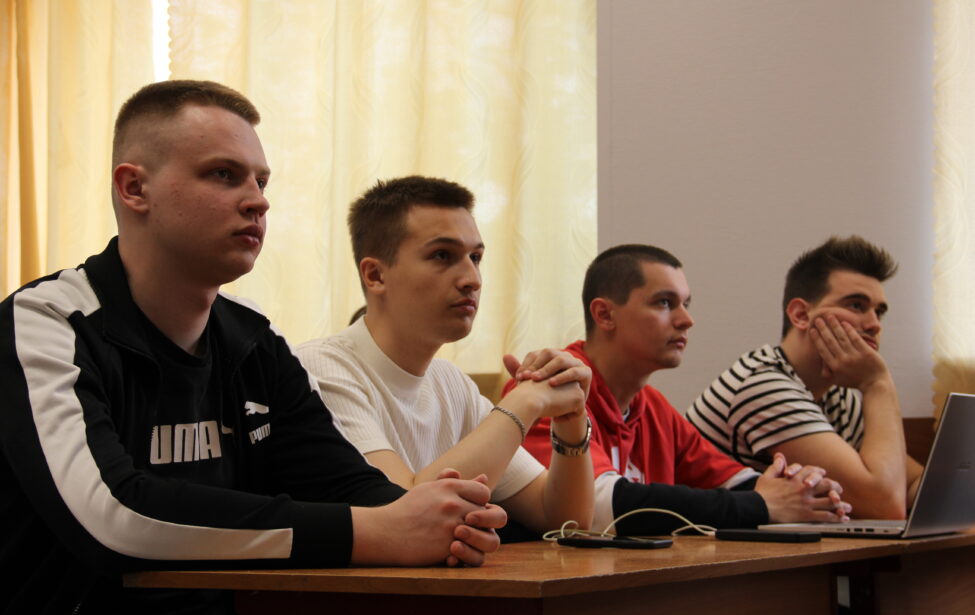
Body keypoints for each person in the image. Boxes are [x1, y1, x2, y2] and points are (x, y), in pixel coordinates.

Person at [0, 81, 505, 614]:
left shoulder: (254, 337)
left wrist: (443, 522)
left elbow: (343, 484)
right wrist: (378, 531)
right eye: (223, 174)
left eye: (261, 181)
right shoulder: (46, 322)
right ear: (134, 188)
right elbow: (112, 515)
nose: (258, 201)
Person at [297, 176, 594, 539]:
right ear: (375, 275)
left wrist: (571, 419)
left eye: (476, 258)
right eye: (442, 256)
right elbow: (403, 514)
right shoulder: (320, 368)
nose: (472, 279)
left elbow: (565, 520)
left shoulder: (452, 384)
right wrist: (524, 403)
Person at [506, 244, 850, 536]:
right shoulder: (551, 384)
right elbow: (596, 508)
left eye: (686, 303)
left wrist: (803, 491)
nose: (687, 320)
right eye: (665, 303)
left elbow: (738, 482)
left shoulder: (653, 406)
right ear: (605, 314)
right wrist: (761, 505)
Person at [687, 236, 923, 520]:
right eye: (856, 306)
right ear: (801, 315)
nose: (874, 324)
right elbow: (884, 506)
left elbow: (910, 484)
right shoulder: (762, 384)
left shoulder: (838, 395)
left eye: (879, 312)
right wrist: (877, 384)